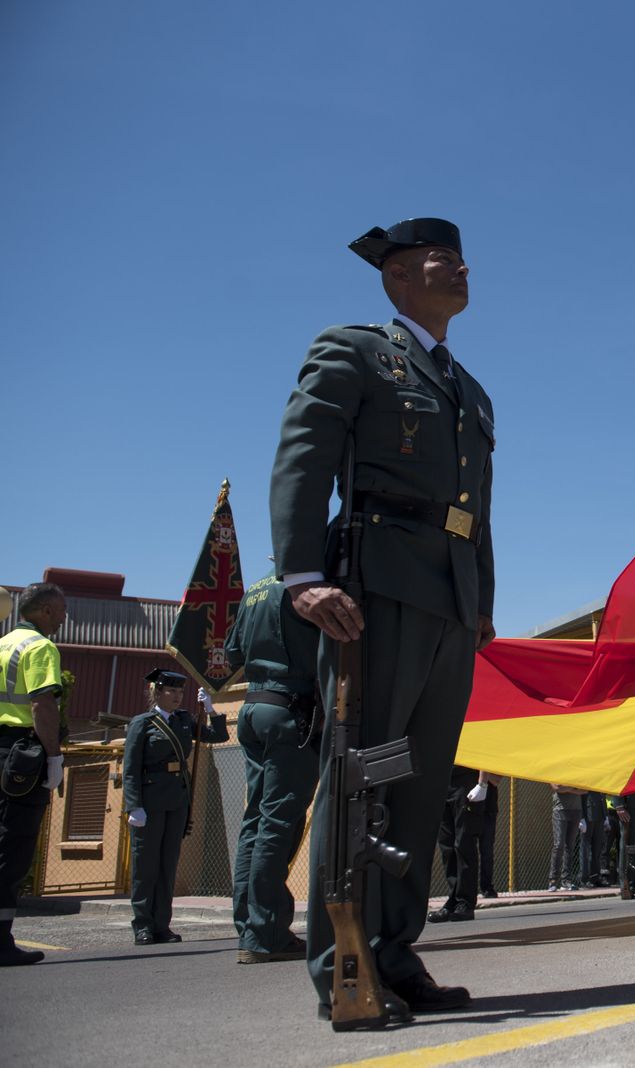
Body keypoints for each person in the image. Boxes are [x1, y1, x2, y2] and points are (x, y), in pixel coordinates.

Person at [270, 217, 496, 1019]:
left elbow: (477, 509)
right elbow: (304, 454)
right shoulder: (356, 349)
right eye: (442, 260)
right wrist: (300, 576)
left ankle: (396, 955)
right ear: (398, 275)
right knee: (363, 773)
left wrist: (484, 608)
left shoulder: (468, 388)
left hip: (450, 600)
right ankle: (345, 966)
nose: (462, 268)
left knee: (418, 784)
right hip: (380, 586)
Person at [225, 574, 320, 964]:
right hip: (290, 709)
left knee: (257, 819)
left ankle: (250, 925)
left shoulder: (255, 592)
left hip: (253, 707)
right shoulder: (304, 589)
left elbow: (232, 653)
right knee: (278, 821)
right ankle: (266, 933)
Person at [123, 669, 229, 944]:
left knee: (167, 866)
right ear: (157, 693)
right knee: (146, 866)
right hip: (149, 803)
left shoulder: (184, 720)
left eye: (181, 692)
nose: (178, 697)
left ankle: (161, 925)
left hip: (177, 801)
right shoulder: (143, 723)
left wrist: (211, 709)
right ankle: (143, 925)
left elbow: (218, 737)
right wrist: (133, 805)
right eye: (172, 691)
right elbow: (131, 768)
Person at [0, 583, 68, 967]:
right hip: (22, 754)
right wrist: (54, 756)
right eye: (60, 610)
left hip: (2, 749)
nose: (63, 616)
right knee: (13, 846)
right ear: (44, 611)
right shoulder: (40, 648)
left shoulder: (4, 643)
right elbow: (43, 705)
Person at [429, 766, 492, 922]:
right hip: (443, 781)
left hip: (466, 782)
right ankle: (452, 901)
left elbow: (485, 748)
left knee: (464, 845)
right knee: (447, 847)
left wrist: (482, 783)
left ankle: (465, 903)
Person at [548, 784, 584, 892]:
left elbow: (585, 790)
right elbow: (557, 788)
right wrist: (574, 788)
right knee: (558, 844)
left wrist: (566, 788)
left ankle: (566, 881)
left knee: (570, 846)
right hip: (560, 810)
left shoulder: (576, 772)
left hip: (576, 810)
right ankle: (553, 880)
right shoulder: (555, 771)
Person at [478, 777, 500, 897]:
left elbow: (496, 780)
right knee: (465, 849)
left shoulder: (491, 763)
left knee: (487, 850)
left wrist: (483, 774)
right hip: (470, 808)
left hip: (488, 809)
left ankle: (486, 887)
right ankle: (464, 888)